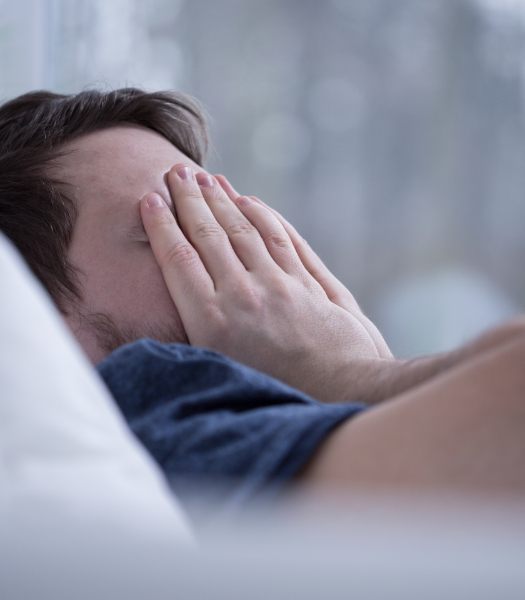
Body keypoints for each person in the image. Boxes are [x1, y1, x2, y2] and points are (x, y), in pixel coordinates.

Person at [0, 88, 524, 509]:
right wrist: (352, 374)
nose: (259, 271)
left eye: (232, 221)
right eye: (180, 228)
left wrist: (367, 379)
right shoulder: (156, 417)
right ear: (30, 307)